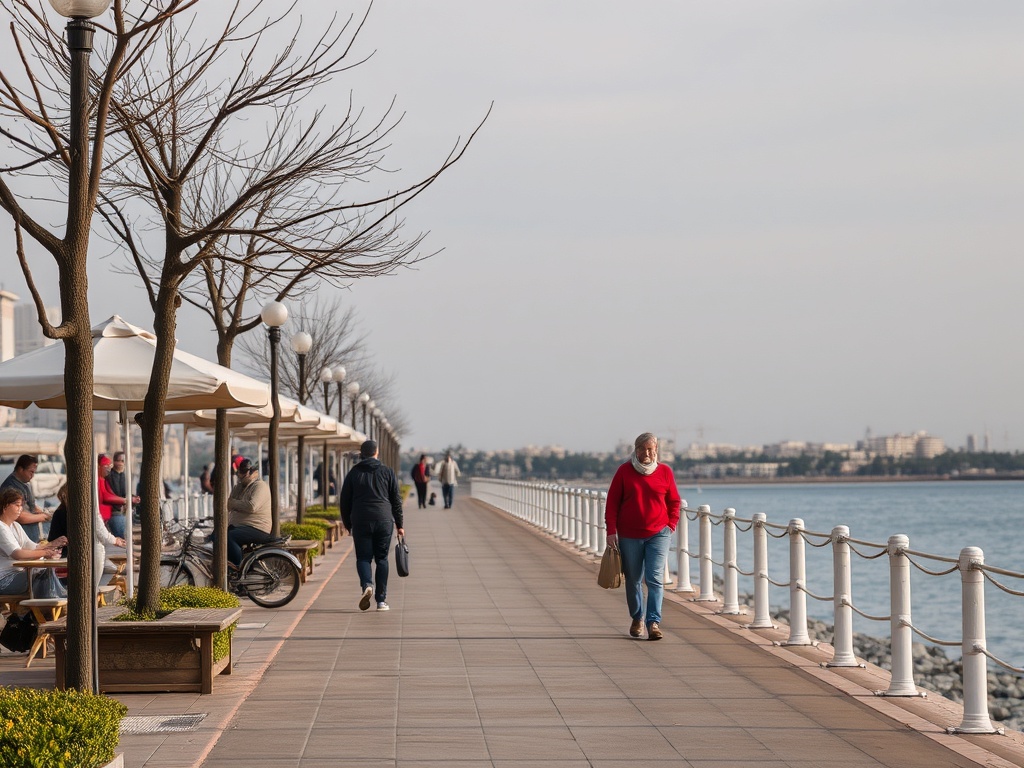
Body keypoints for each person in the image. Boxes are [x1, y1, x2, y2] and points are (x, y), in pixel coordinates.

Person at [605, 432, 681, 642]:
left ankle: (653, 622)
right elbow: (612, 504)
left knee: (655, 579)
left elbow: (674, 501)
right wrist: (611, 531)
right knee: (633, 579)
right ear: (636, 449)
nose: (646, 453)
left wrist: (671, 524)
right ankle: (637, 617)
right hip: (629, 535)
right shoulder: (624, 472)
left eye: (650, 449)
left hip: (659, 534)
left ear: (656, 451)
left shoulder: (665, 472)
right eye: (642, 449)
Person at [340, 440, 404, 612]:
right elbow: (396, 500)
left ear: (361, 454)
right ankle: (381, 601)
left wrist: (348, 524)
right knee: (382, 559)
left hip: (360, 520)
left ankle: (367, 584)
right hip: (384, 519)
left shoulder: (354, 473)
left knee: (363, 558)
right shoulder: (388, 472)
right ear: (377, 453)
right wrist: (400, 524)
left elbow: (344, 501)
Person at [48, 483, 126, 587]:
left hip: (66, 556)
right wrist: (114, 540)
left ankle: (96, 593)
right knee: (109, 570)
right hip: (87, 554)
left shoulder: (59, 513)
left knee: (107, 569)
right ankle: (97, 593)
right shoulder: (86, 510)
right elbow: (100, 531)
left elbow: (52, 538)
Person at [0, 487, 67, 598]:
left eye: (21, 505)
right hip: (5, 579)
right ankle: (50, 603)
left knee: (44, 572)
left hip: (20, 573)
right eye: (17, 505)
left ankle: (48, 604)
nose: (20, 509)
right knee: (43, 573)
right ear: (5, 506)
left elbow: (33, 546)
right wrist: (46, 553)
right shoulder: (1, 527)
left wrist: (53, 544)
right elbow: (17, 553)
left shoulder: (15, 525)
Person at [225, 458, 274, 568]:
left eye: (244, 472)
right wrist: (235, 503)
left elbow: (251, 506)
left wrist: (234, 503)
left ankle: (237, 566)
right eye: (239, 472)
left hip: (257, 527)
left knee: (228, 537)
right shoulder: (238, 487)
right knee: (216, 535)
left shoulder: (260, 486)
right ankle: (226, 564)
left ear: (254, 473)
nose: (240, 475)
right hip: (240, 526)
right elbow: (228, 504)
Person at [0, 454, 53, 542]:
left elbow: (32, 506)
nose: (32, 475)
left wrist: (45, 513)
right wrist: (43, 517)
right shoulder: (11, 487)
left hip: (31, 537)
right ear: (21, 469)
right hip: (20, 539)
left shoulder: (25, 484)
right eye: (31, 472)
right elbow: (19, 516)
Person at [99, 455, 137, 538]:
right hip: (109, 515)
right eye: (106, 466)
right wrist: (126, 500)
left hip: (109, 516)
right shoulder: (101, 479)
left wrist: (129, 499)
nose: (108, 468)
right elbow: (106, 497)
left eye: (109, 466)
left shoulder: (104, 479)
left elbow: (110, 493)